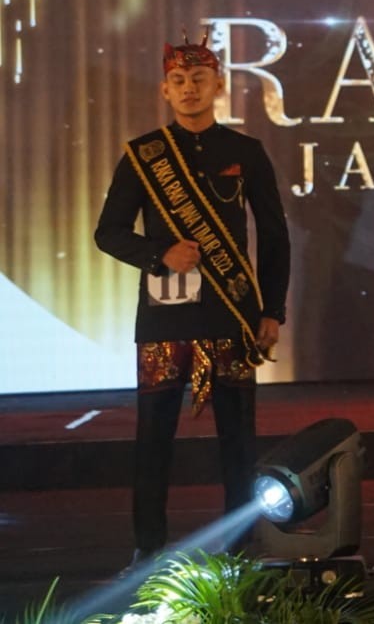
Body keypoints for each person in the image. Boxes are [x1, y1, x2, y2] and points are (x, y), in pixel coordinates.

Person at [94, 31, 291, 563]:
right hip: (165, 320)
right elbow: (108, 233)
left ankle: (240, 550)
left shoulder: (246, 153)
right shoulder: (144, 156)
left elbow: (275, 237)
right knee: (153, 438)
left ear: (217, 85)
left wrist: (272, 310)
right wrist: (159, 253)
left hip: (232, 315)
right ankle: (148, 547)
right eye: (178, 80)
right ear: (165, 89)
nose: (188, 88)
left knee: (238, 440)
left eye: (199, 79)